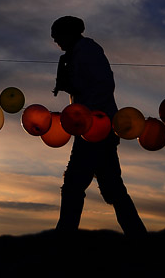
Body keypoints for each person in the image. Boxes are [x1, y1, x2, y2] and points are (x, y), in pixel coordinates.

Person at [51, 15, 146, 237]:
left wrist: (83, 111)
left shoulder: (87, 51)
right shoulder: (77, 53)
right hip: (92, 128)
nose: (56, 42)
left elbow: (103, 85)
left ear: (70, 33)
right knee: (112, 188)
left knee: (74, 185)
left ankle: (63, 237)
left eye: (58, 37)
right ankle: (139, 236)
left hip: (95, 128)